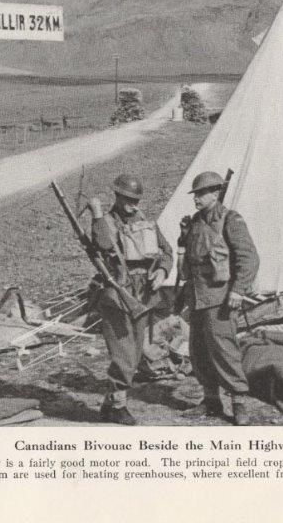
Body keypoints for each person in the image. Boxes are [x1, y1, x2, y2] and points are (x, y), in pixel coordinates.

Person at [88, 173, 173, 425]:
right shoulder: (105, 222)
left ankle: (109, 404)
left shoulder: (146, 223)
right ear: (117, 196)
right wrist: (96, 214)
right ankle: (118, 406)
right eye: (128, 200)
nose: (133, 205)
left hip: (142, 295)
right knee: (123, 353)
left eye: (136, 200)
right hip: (116, 295)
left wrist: (162, 271)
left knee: (135, 354)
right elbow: (103, 245)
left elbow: (166, 251)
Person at [178, 171, 260, 426]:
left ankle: (238, 401)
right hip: (197, 297)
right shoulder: (194, 222)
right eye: (195, 194)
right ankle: (211, 400)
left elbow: (249, 258)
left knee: (225, 350)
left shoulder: (231, 219)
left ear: (216, 193)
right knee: (199, 351)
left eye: (202, 193)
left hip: (220, 298)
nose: (196, 198)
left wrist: (238, 290)